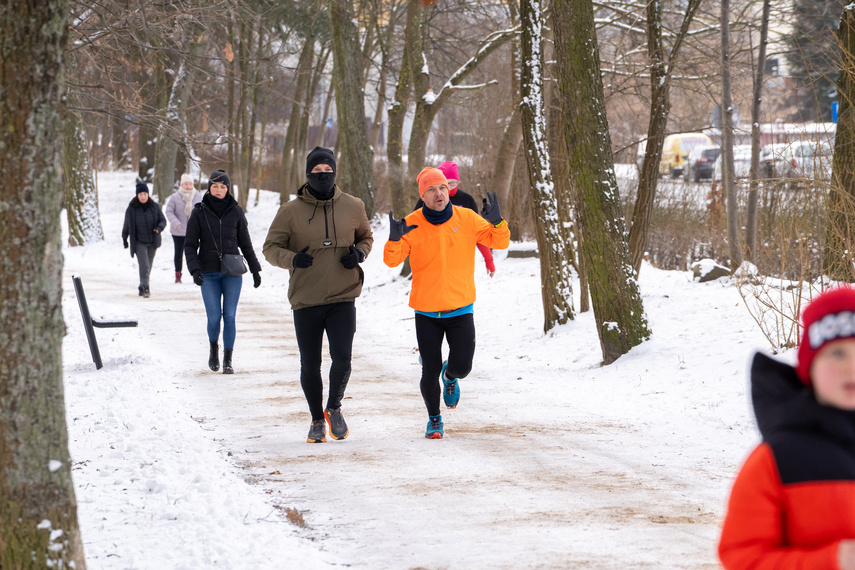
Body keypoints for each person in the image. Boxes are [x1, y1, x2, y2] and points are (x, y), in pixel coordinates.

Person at [719, 286, 855, 569]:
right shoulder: (777, 460)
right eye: (838, 353)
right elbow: (743, 558)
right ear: (810, 367)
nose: (851, 367)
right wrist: (832, 561)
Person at [384, 167, 509, 439]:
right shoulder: (412, 223)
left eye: (441, 187)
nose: (438, 193)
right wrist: (394, 239)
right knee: (428, 370)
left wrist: (497, 222)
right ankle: (434, 418)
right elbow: (392, 260)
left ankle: (450, 376)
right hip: (426, 311)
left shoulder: (467, 218)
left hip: (460, 307)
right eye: (431, 189)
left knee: (463, 366)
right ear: (423, 196)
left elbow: (500, 242)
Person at [263, 147, 374, 444]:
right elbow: (270, 248)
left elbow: (366, 237)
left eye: (328, 172)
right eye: (317, 172)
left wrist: (359, 254)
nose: (323, 177)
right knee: (310, 364)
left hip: (343, 295)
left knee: (342, 358)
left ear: (335, 173)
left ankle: (333, 409)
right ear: (308, 175)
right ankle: (315, 420)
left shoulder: (354, 206)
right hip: (306, 299)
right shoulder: (289, 211)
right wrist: (292, 260)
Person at [184, 170, 262, 375]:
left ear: (228, 188)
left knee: (229, 315)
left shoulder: (236, 211)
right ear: (209, 187)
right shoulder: (199, 211)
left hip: (232, 273)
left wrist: (255, 269)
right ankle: (213, 349)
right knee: (213, 317)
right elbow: (190, 245)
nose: (219, 190)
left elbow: (245, 243)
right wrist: (194, 269)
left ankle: (228, 359)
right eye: (215, 186)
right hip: (208, 273)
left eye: (223, 186)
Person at [415, 161, 496, 277]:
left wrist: (489, 260)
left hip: (460, 259)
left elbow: (478, 233)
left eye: (453, 183)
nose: (448, 188)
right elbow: (416, 231)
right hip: (434, 260)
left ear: (459, 181)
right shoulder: (426, 200)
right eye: (445, 184)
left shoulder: (467, 200)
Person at [122, 182, 166, 298]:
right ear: (137, 195)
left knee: (148, 266)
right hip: (139, 242)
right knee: (144, 265)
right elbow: (127, 224)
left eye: (145, 194)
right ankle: (146, 288)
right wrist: (124, 238)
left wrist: (158, 228)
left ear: (148, 194)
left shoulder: (154, 206)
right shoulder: (132, 208)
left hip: (152, 242)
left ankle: (142, 285)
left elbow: (163, 220)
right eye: (140, 194)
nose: (143, 196)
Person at [165, 173, 202, 283]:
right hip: (178, 231)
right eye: (186, 183)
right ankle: (178, 274)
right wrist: (176, 223)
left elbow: (202, 212)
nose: (188, 186)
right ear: (182, 184)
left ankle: (196, 273)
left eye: (190, 183)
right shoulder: (175, 197)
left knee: (193, 253)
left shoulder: (198, 196)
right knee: (179, 253)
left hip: (193, 232)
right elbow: (169, 211)